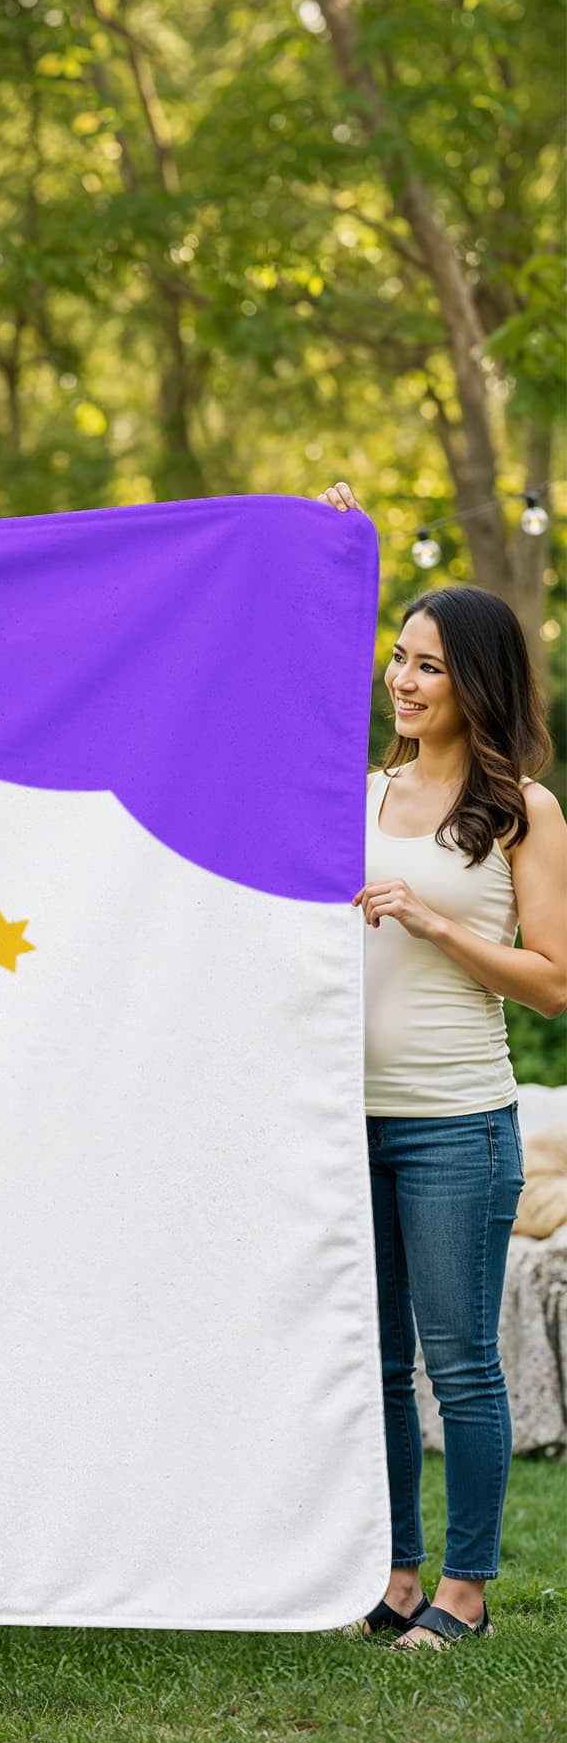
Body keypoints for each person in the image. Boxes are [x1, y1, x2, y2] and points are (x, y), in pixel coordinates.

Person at [321, 479, 566, 1651]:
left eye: (426, 664)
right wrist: (329, 553)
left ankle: (465, 1588)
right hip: (338, 1120)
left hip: (452, 1123)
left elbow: (554, 979)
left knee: (458, 1363)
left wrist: (436, 925)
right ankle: (394, 1571)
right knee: (369, 1359)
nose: (401, 679)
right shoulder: (354, 792)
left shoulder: (522, 809)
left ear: (473, 679)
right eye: (396, 657)